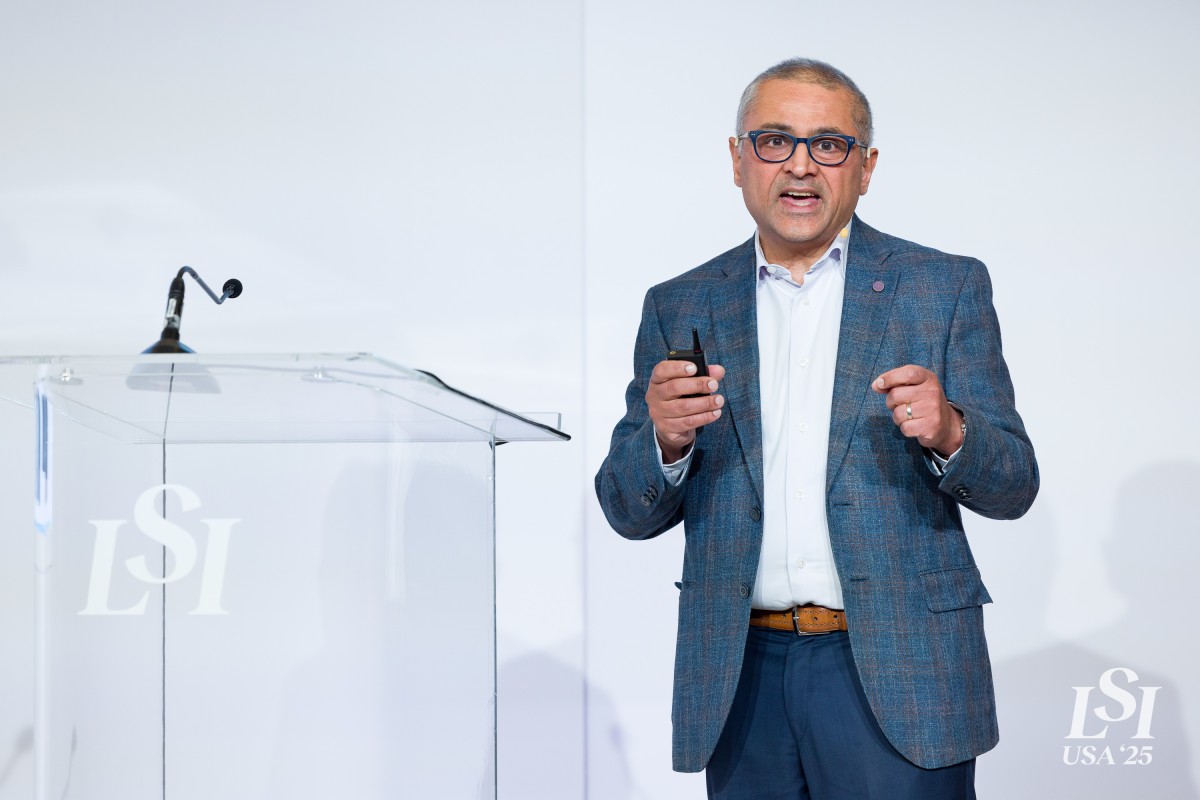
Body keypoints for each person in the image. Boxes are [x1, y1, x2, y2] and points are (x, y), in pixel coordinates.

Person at [594, 58, 1039, 800]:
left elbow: (1014, 486)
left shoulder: (943, 287)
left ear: (865, 169)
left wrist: (952, 432)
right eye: (774, 141)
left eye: (829, 145)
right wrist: (664, 442)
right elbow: (626, 508)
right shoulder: (680, 303)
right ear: (737, 160)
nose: (800, 166)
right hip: (739, 678)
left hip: (900, 669)